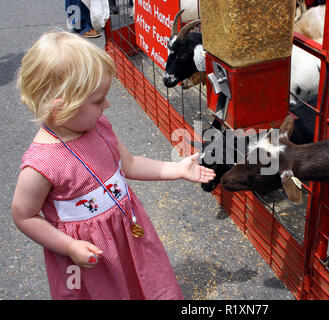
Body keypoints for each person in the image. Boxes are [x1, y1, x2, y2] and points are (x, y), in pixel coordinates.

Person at [12, 30, 216, 299]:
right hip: (88, 256)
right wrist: (70, 246)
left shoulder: (99, 127)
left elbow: (129, 164)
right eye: (98, 100)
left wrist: (176, 169)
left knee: (142, 284)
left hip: (127, 237)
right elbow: (24, 216)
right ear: (60, 107)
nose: (107, 105)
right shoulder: (41, 165)